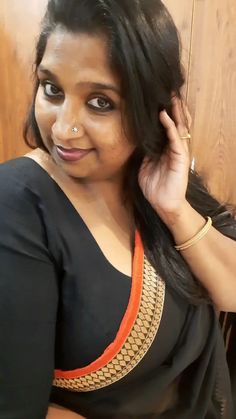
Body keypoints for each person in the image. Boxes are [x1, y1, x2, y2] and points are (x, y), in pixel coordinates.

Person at [0, 0, 236, 418]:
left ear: (154, 109)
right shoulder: (20, 202)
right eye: (52, 89)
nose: (62, 128)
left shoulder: (155, 178)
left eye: (100, 102)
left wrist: (175, 209)